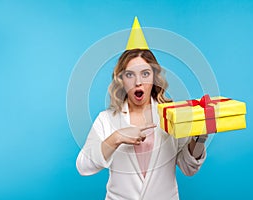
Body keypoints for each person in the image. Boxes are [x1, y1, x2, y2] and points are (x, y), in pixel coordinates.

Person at [76, 17, 208, 200]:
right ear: (121, 79)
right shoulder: (106, 119)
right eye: (130, 75)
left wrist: (199, 139)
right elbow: (83, 166)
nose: (138, 82)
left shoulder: (172, 114)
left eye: (145, 73)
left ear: (154, 77)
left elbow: (188, 168)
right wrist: (116, 138)